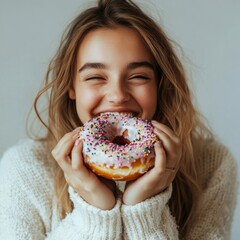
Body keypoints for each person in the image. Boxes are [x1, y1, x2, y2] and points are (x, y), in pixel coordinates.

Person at [0, 0, 237, 239]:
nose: (118, 95)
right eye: (95, 77)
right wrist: (95, 208)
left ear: (159, 84)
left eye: (138, 76)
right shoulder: (24, 169)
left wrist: (142, 207)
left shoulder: (211, 165)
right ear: (71, 86)